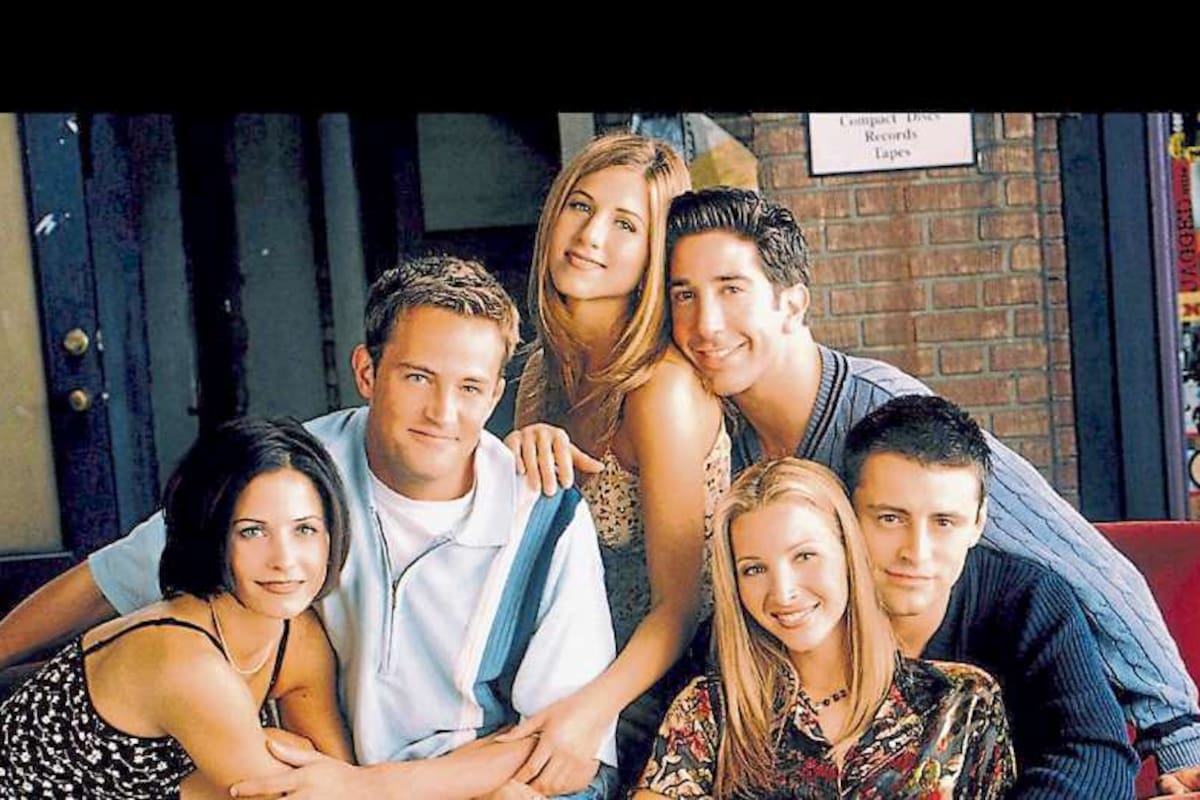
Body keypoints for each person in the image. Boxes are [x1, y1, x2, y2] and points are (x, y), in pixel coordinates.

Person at [0, 257, 619, 800]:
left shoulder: (546, 516)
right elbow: (109, 580)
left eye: (470, 387)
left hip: (467, 777)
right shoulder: (292, 475)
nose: (442, 412)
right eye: (417, 377)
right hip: (322, 772)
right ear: (367, 372)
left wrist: (371, 789)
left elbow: (564, 744)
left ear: (495, 396)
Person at [660, 186, 1200, 792]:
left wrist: (1179, 739)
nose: (706, 323)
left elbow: (1090, 570)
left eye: (731, 289)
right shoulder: (724, 445)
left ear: (792, 303)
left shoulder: (887, 418)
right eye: (684, 294)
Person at [504, 132, 728, 788]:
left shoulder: (661, 389)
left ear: (655, 253)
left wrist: (586, 714)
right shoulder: (542, 374)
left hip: (664, 687)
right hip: (564, 665)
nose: (590, 235)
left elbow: (680, 609)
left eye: (625, 223)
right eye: (580, 206)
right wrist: (505, 466)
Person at [0, 416, 354, 799]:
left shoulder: (297, 635)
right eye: (251, 531)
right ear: (211, 536)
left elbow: (343, 782)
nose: (284, 560)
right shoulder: (184, 660)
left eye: (304, 529)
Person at [633, 457, 1015, 799]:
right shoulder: (709, 711)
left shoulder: (960, 702)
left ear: (849, 552)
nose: (783, 592)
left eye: (804, 556)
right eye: (754, 569)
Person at [844, 394, 1139, 797]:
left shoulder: (1026, 600)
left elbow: (1098, 754)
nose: (916, 551)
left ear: (978, 524)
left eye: (944, 522)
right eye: (890, 518)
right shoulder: (807, 605)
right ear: (848, 513)